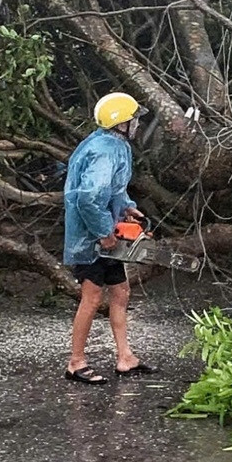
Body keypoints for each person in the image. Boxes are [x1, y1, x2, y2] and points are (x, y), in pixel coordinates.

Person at [61, 92, 157, 385]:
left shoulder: (116, 145)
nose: (138, 124)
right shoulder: (103, 150)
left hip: (107, 233)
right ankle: (76, 362)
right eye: (134, 120)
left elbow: (113, 188)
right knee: (91, 298)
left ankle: (125, 357)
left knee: (121, 292)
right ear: (122, 124)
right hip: (90, 239)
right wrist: (104, 233)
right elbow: (89, 198)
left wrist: (127, 206)